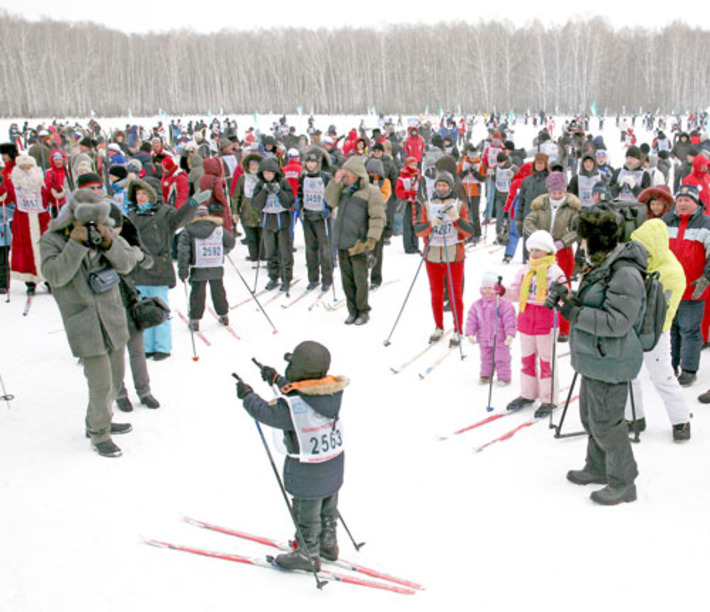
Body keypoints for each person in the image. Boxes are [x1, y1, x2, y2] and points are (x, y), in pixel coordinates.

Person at [546, 208, 645, 505]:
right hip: (596, 355)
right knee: (591, 417)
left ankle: (623, 481)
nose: (581, 244)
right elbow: (596, 304)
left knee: (606, 423)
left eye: (584, 239)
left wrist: (575, 313)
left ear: (597, 240)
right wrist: (568, 299)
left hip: (612, 358)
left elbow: (617, 322)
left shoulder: (624, 272)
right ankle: (599, 466)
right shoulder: (601, 264)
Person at [39, 189, 144, 457]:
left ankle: (100, 420)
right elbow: (55, 275)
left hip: (112, 316)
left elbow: (127, 263)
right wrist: (75, 244)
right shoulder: (53, 240)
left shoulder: (105, 231)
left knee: (116, 378)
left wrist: (108, 242)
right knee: (100, 382)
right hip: (83, 321)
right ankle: (99, 434)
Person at [235, 341, 348, 571]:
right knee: (328, 507)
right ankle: (328, 544)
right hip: (333, 465)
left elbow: (265, 412)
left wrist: (248, 396)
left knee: (307, 512)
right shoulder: (330, 393)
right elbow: (306, 392)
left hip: (308, 470)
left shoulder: (292, 408)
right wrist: (276, 378)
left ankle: (308, 553)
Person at [625, 220, 690, 441]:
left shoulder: (672, 272)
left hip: (656, 331)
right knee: (629, 375)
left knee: (663, 377)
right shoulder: (638, 266)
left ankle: (681, 421)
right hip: (632, 328)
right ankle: (634, 417)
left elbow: (659, 308)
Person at [126, 177, 199, 360]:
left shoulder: (165, 213)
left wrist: (192, 203)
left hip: (159, 267)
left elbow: (180, 218)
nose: (141, 197)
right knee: (142, 309)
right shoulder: (132, 215)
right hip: (138, 268)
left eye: (144, 193)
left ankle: (163, 347)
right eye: (138, 194)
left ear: (153, 194)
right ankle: (147, 346)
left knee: (159, 308)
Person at [504, 230, 567, 416]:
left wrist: (557, 296)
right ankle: (528, 394)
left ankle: (549, 399)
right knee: (527, 360)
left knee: (546, 361)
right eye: (531, 249)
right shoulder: (525, 270)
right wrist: (502, 291)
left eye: (538, 249)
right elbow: (515, 293)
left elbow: (566, 297)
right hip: (526, 321)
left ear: (548, 250)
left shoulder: (555, 271)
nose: (534, 253)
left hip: (546, 321)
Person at [414, 171, 474, 346]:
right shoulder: (427, 205)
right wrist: (431, 225)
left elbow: (469, 231)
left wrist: (456, 219)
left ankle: (458, 329)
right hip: (433, 255)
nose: (441, 188)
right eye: (439, 185)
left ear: (450, 187)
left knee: (455, 293)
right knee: (436, 292)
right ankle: (438, 326)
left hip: (454, 255)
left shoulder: (459, 204)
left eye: (444, 185)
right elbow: (419, 230)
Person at [324, 156, 385, 325]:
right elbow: (329, 201)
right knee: (347, 281)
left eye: (349, 175)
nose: (346, 178)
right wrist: (335, 182)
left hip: (359, 244)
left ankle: (363, 311)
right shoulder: (343, 189)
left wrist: (371, 240)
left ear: (358, 174)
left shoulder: (371, 192)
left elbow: (377, 217)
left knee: (360, 281)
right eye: (345, 175)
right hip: (343, 242)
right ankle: (352, 311)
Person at [522, 171, 582, 341]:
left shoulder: (571, 208)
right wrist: (539, 238)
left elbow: (577, 229)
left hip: (562, 250)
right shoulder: (541, 206)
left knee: (563, 285)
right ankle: (544, 320)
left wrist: (563, 241)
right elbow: (528, 222)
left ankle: (565, 326)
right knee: (541, 282)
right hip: (543, 250)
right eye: (554, 192)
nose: (557, 196)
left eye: (560, 193)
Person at [663, 184, 710, 387]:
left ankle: (689, 369)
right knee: (670, 328)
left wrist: (706, 278)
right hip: (669, 287)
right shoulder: (666, 221)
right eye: (680, 200)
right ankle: (671, 364)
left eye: (687, 200)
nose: (682, 204)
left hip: (694, 287)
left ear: (696, 203)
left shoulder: (706, 224)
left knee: (690, 329)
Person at [178, 201, 236, 330]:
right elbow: (231, 242)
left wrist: (183, 270)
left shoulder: (188, 230)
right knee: (218, 291)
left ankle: (194, 320)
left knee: (197, 293)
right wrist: (223, 251)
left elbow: (183, 252)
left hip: (198, 267)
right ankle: (224, 315)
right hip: (215, 265)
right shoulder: (218, 229)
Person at [252, 157, 295, 292]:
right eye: (265, 173)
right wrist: (264, 191)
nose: (268, 175)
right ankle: (273, 276)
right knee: (270, 252)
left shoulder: (283, 183)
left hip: (282, 222)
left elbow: (289, 202)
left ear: (275, 172)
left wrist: (279, 192)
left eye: (270, 172)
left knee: (285, 252)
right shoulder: (260, 185)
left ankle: (286, 278)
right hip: (268, 222)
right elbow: (256, 204)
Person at [465, 272, 516, 385]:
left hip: (500, 338)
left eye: (490, 288)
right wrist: (470, 333)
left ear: (496, 289)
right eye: (484, 288)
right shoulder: (477, 304)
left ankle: (504, 377)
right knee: (486, 358)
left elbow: (510, 320)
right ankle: (486, 375)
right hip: (484, 338)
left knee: (501, 358)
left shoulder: (504, 304)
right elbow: (472, 320)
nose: (487, 291)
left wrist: (510, 334)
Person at [9, 155, 51, 295]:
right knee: (27, 250)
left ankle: (48, 278)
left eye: (29, 167)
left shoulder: (42, 181)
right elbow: (8, 198)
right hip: (23, 220)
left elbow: (51, 196)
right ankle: (30, 282)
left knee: (45, 248)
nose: (26, 170)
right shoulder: (13, 183)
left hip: (41, 219)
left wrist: (56, 190)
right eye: (23, 168)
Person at [297, 151, 333, 292]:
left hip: (321, 218)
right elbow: (301, 194)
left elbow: (332, 194)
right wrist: (298, 204)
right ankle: (313, 279)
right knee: (310, 250)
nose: (310, 165)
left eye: (313, 162)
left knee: (324, 250)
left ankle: (327, 279)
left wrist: (329, 208)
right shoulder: (304, 177)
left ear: (317, 164)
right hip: (308, 216)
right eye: (308, 162)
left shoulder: (324, 177)